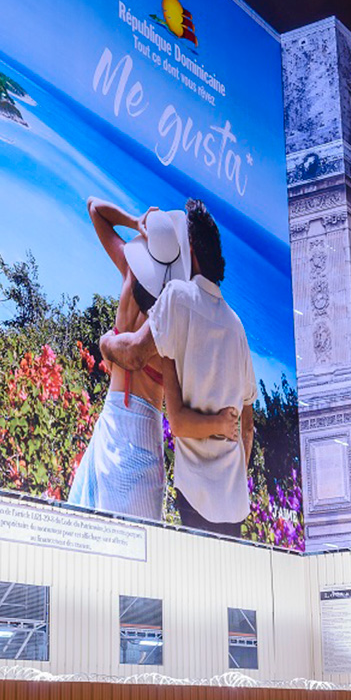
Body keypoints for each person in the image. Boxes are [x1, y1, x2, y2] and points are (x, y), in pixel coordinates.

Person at [65, 199, 236, 521]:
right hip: (139, 433)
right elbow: (134, 356)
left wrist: (134, 222)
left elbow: (94, 207)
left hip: (109, 418)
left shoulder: (131, 271)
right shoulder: (175, 310)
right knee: (128, 553)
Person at [101, 199, 255, 537]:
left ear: (192, 253)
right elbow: (246, 428)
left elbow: (136, 354)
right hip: (233, 501)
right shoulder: (237, 326)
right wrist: (235, 475)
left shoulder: (178, 297)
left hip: (195, 493)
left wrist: (105, 344)